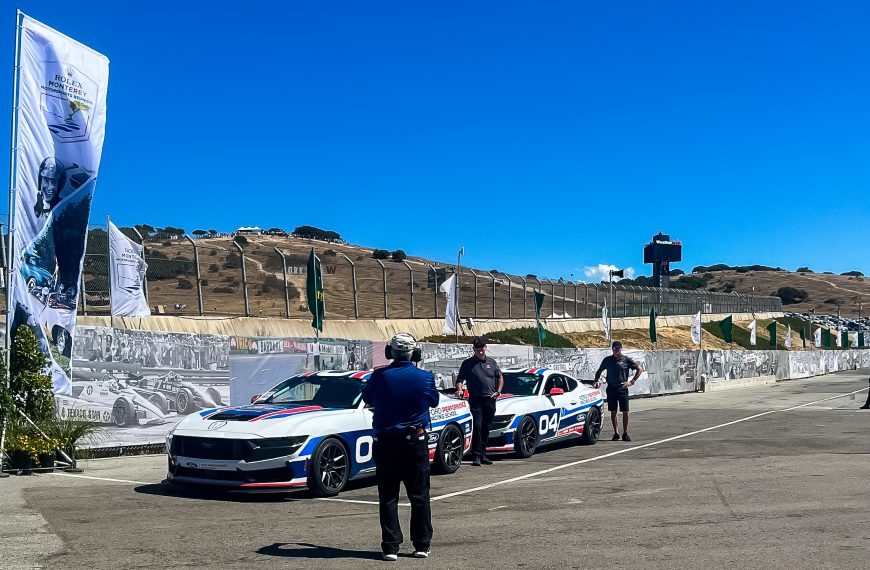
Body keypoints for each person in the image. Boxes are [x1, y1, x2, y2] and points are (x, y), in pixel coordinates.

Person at [362, 333, 438, 561]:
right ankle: (422, 544)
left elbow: (368, 398)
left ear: (390, 353)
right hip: (415, 442)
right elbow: (433, 401)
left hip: (387, 442)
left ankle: (390, 547)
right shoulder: (424, 377)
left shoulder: (380, 376)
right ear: (415, 354)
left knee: (388, 496)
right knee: (420, 496)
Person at [455, 337, 504, 466]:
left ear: (485, 348)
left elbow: (500, 378)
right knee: (477, 427)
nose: (480, 352)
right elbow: (460, 379)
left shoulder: (492, 363)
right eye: (478, 350)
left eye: (482, 349)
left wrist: (498, 392)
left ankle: (483, 454)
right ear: (474, 350)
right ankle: (476, 456)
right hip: (476, 400)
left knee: (486, 428)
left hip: (490, 400)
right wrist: (459, 389)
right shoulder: (467, 363)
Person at [594, 341, 643, 442]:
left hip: (622, 388)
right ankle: (616, 433)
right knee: (613, 410)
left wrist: (632, 381)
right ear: (612, 349)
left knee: (625, 410)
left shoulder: (626, 360)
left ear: (621, 349)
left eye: (618, 349)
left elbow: (639, 369)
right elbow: (599, 371)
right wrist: (596, 381)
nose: (617, 351)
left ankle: (625, 433)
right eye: (615, 349)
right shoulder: (607, 360)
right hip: (611, 388)